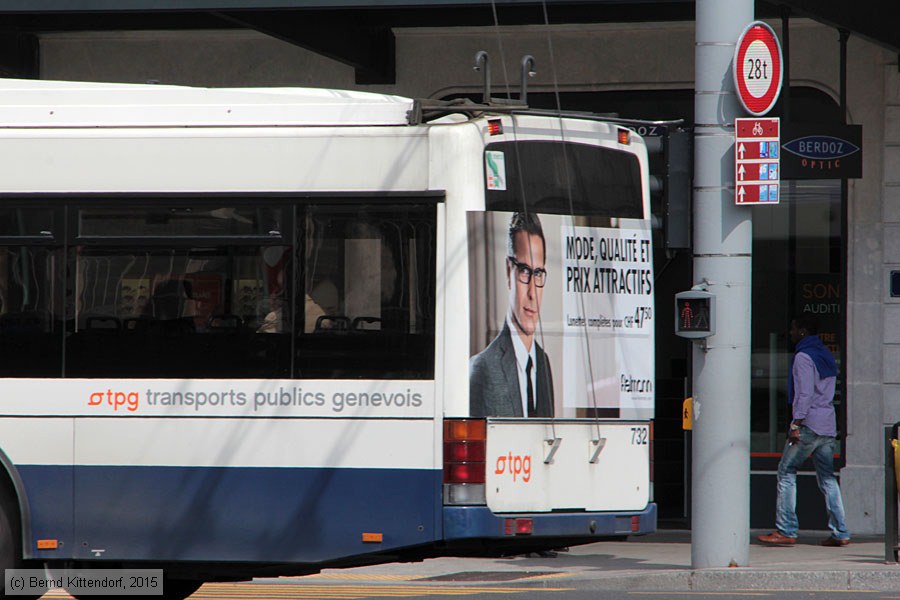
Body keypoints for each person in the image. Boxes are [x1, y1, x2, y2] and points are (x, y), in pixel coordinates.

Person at [758, 315, 850, 547]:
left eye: (793, 328)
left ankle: (786, 530)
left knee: (786, 471)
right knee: (828, 479)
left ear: (802, 331)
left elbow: (805, 394)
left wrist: (796, 423)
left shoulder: (803, 357)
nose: (790, 333)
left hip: (809, 423)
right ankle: (841, 532)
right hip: (827, 424)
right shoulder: (825, 355)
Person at [469, 211, 554, 418]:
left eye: (538, 273)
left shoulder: (543, 363)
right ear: (509, 271)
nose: (533, 293)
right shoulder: (483, 369)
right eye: (525, 271)